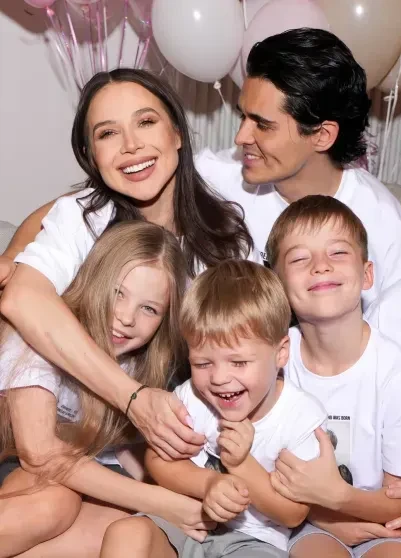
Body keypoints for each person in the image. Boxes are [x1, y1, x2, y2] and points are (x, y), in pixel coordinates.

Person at [0, 68, 261, 465]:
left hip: (148, 444)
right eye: (108, 133)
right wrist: (132, 398)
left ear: (177, 133)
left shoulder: (227, 239)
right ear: (91, 156)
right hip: (46, 425)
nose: (131, 145)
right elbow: (21, 298)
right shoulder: (82, 217)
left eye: (146, 122)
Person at [0, 221, 213, 558]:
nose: (127, 317)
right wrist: (161, 501)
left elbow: (125, 450)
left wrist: (189, 493)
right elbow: (39, 454)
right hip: (23, 468)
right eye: (118, 293)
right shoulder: (44, 331)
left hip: (50, 480)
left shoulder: (141, 365)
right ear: (94, 279)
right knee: (55, 501)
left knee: (123, 528)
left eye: (149, 308)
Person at [98, 259, 328, 558]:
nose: (219, 378)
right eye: (203, 363)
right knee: (126, 533)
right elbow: (157, 459)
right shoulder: (192, 396)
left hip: (254, 541)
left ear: (281, 353)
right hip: (184, 522)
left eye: (239, 362)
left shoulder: (301, 417)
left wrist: (241, 464)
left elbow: (293, 514)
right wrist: (209, 483)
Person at [195, 28, 401, 310]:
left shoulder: (388, 232)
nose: (241, 137)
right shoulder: (215, 176)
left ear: (322, 135)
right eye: (243, 117)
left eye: (262, 125)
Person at [265, 195, 401, 558]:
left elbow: (400, 500)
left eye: (337, 253)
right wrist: (323, 517)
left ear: (367, 275)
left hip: (379, 521)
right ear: (278, 285)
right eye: (299, 259)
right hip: (299, 518)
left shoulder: (398, 375)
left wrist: (339, 498)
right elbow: (256, 467)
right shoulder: (273, 362)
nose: (321, 266)